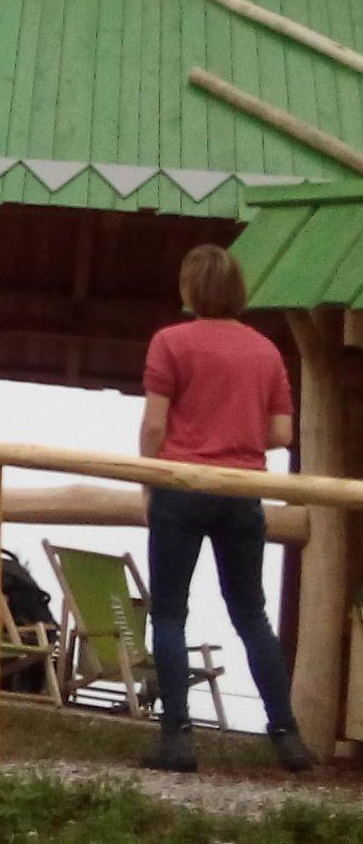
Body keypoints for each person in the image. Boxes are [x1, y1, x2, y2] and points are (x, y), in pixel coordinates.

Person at [137, 244, 313, 774]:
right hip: (241, 490)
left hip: (181, 485)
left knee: (170, 611)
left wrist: (149, 478)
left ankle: (177, 738)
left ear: (190, 289)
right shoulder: (266, 352)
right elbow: (281, 433)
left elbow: (154, 425)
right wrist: (235, 430)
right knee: (251, 613)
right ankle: (287, 736)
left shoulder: (170, 342)